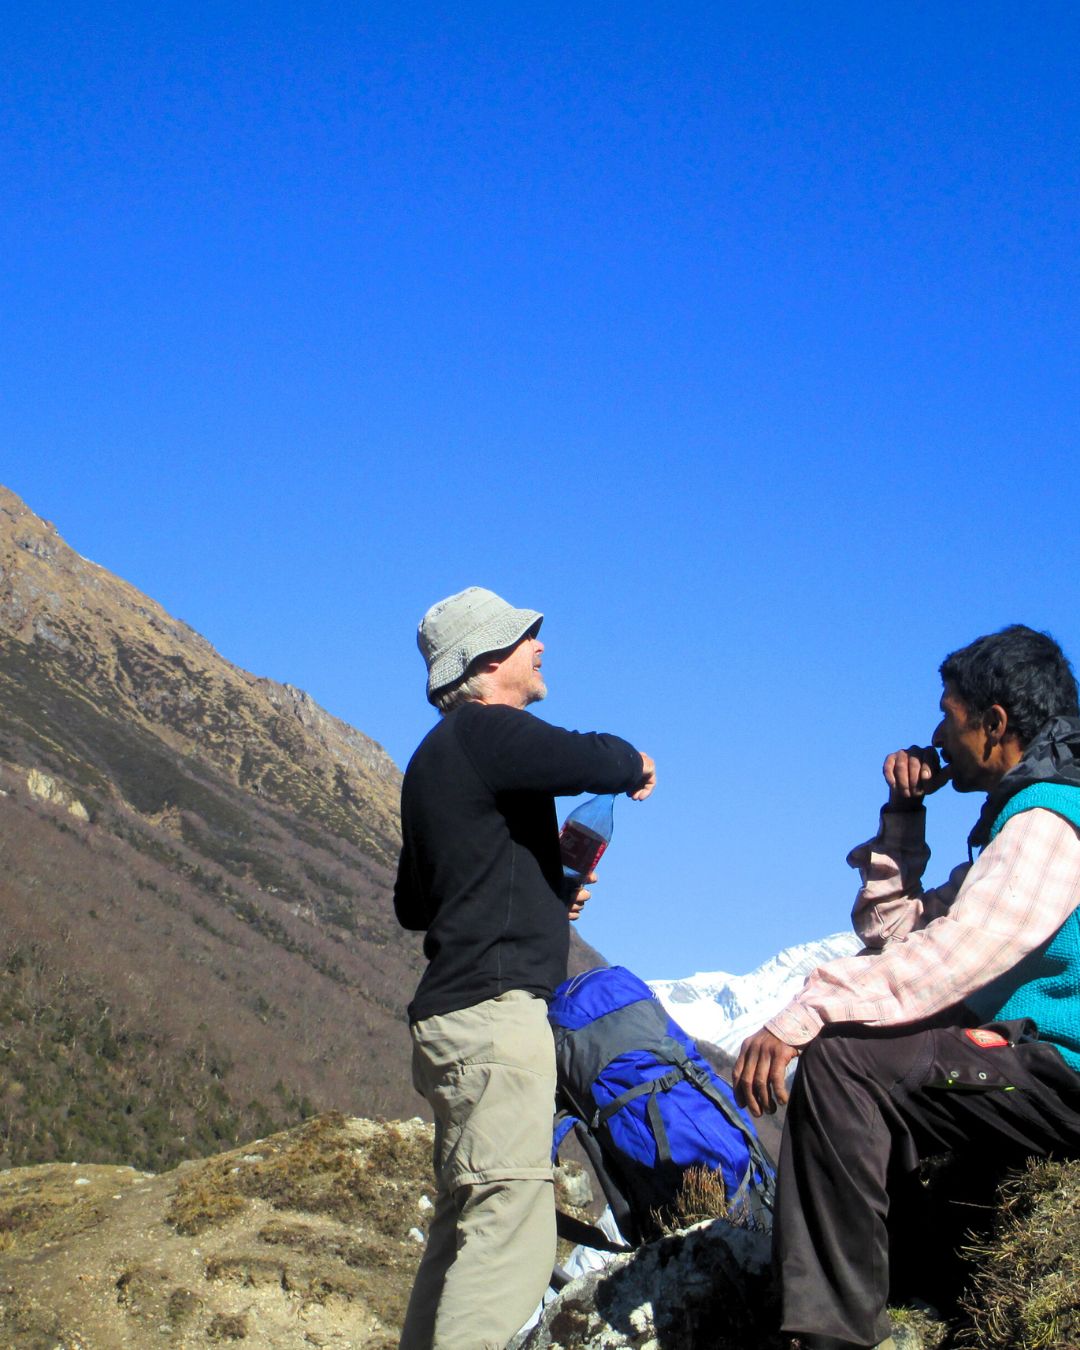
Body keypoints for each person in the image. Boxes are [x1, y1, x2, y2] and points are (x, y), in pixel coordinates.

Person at [733, 624, 1080, 1350]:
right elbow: (900, 937)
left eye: (949, 720)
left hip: (1062, 1072)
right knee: (873, 1050)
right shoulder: (1019, 823)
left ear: (995, 726)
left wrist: (809, 1010)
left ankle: (831, 1336)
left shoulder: (1050, 819)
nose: (936, 738)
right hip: (1033, 1066)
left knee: (842, 1058)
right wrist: (902, 818)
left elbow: (953, 956)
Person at [394, 586, 656, 1350]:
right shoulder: (486, 731)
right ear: (484, 662)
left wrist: (543, 891)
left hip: (449, 1023)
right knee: (510, 1232)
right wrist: (632, 762)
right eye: (524, 639)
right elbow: (586, 756)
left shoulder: (430, 761)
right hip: (495, 1021)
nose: (540, 648)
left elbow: (417, 903)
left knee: (466, 1230)